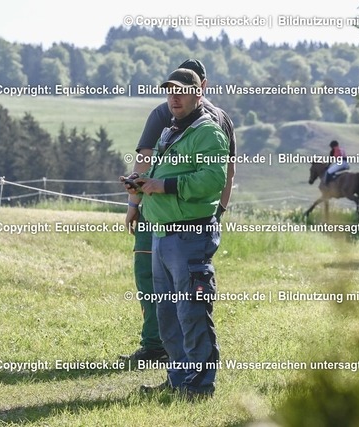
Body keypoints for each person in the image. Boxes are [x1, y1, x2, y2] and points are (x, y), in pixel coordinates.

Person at [120, 59, 236, 365]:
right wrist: (217, 213)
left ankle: (174, 362)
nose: (174, 97)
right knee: (176, 302)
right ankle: (178, 373)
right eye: (171, 90)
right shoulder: (198, 121)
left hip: (177, 226)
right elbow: (229, 174)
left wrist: (135, 205)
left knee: (176, 298)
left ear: (199, 90)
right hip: (178, 222)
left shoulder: (191, 123)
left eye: (182, 90)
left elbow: (213, 176)